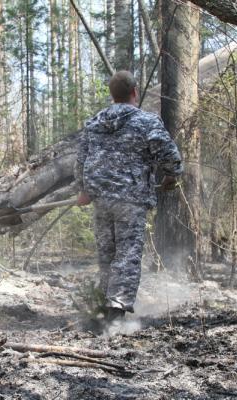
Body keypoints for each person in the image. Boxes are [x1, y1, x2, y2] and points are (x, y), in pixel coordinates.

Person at [74, 70, 183, 324]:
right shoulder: (146, 122)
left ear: (112, 95)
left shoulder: (94, 123)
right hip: (130, 200)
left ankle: (105, 305)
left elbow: (80, 161)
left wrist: (83, 190)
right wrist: (171, 176)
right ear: (134, 92)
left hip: (101, 198)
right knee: (127, 254)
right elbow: (169, 156)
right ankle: (116, 310)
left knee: (108, 255)